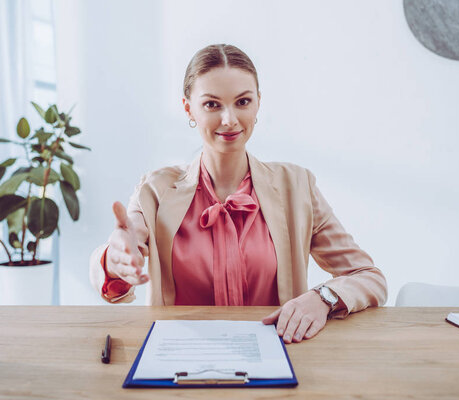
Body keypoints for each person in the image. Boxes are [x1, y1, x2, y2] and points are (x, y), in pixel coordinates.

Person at [89, 44, 387, 344]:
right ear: (188, 108)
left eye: (242, 102)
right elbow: (125, 246)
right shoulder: (155, 190)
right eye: (212, 105)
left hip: (279, 360)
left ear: (258, 104)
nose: (229, 119)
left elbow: (369, 277)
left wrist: (322, 298)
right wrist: (114, 259)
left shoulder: (297, 187)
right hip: (180, 361)